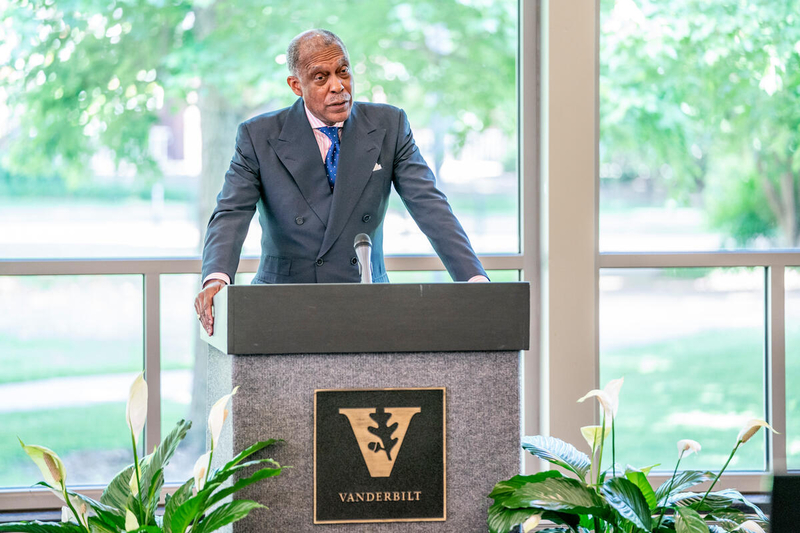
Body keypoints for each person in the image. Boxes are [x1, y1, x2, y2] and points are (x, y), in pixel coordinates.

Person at [195, 29, 488, 335]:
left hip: (366, 300)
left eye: (343, 71)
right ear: (297, 85)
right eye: (320, 77)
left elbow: (430, 205)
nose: (338, 86)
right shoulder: (259, 135)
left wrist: (474, 279)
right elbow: (231, 212)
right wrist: (217, 278)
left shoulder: (390, 124)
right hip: (283, 304)